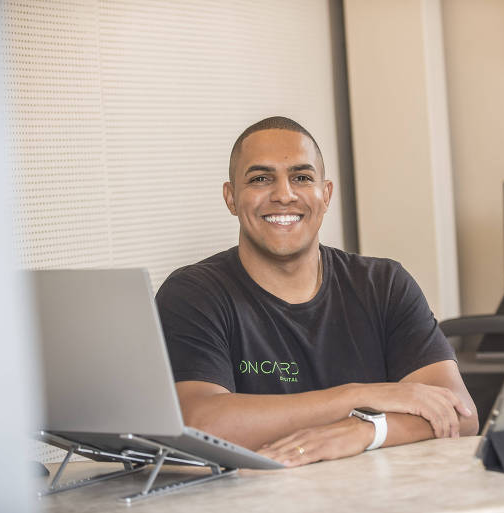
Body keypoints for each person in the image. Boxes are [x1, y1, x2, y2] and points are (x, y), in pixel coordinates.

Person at [156, 116, 478, 467]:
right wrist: (360, 396)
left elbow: (461, 415)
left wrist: (366, 431)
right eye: (261, 179)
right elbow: (197, 424)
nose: (283, 194)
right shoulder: (192, 294)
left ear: (325, 195)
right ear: (231, 198)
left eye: (302, 178)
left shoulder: (384, 284)